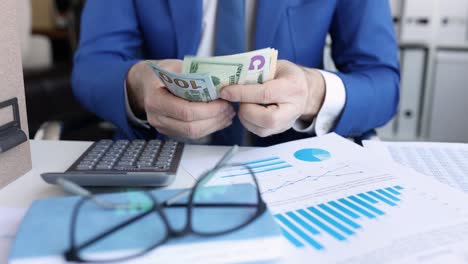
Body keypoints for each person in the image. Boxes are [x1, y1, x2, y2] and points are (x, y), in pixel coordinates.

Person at [72, 0, 399, 146]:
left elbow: (383, 83)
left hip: (295, 165)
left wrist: (313, 93)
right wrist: (136, 85)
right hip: (163, 159)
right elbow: (92, 66)